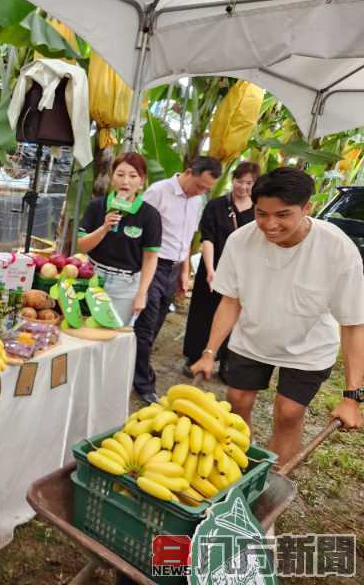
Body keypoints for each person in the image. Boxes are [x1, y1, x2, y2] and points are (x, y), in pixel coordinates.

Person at [191, 167, 364, 467]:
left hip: (308, 347)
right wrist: (209, 353)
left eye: (282, 215)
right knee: (238, 402)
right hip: (252, 337)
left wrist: (352, 397)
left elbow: (352, 325)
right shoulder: (240, 241)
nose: (270, 225)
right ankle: (238, 467)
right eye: (262, 214)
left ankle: (273, 480)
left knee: (288, 413)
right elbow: (231, 301)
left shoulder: (338, 249)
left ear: (307, 208)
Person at [133, 156, 222, 403]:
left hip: (173, 269)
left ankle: (132, 369)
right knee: (145, 327)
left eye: (207, 189)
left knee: (157, 324)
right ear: (189, 172)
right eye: (200, 186)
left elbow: (185, 238)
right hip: (153, 265)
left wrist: (184, 273)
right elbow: (137, 230)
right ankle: (143, 384)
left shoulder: (197, 200)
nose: (202, 192)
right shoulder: (158, 192)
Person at [182, 162, 259, 379]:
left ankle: (226, 361)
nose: (243, 187)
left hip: (244, 273)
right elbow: (208, 238)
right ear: (232, 180)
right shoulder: (216, 205)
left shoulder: (259, 210)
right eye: (239, 181)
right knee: (203, 312)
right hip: (214, 266)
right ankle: (196, 356)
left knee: (236, 315)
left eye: (248, 183)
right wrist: (209, 269)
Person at [77, 152, 162, 326]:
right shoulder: (97, 206)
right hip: (92, 276)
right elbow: (82, 246)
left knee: (112, 334)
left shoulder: (150, 215)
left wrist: (141, 293)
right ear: (112, 177)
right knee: (84, 330)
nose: (126, 181)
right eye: (120, 174)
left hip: (125, 286)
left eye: (133, 176)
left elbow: (150, 257)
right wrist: (104, 228)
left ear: (142, 181)